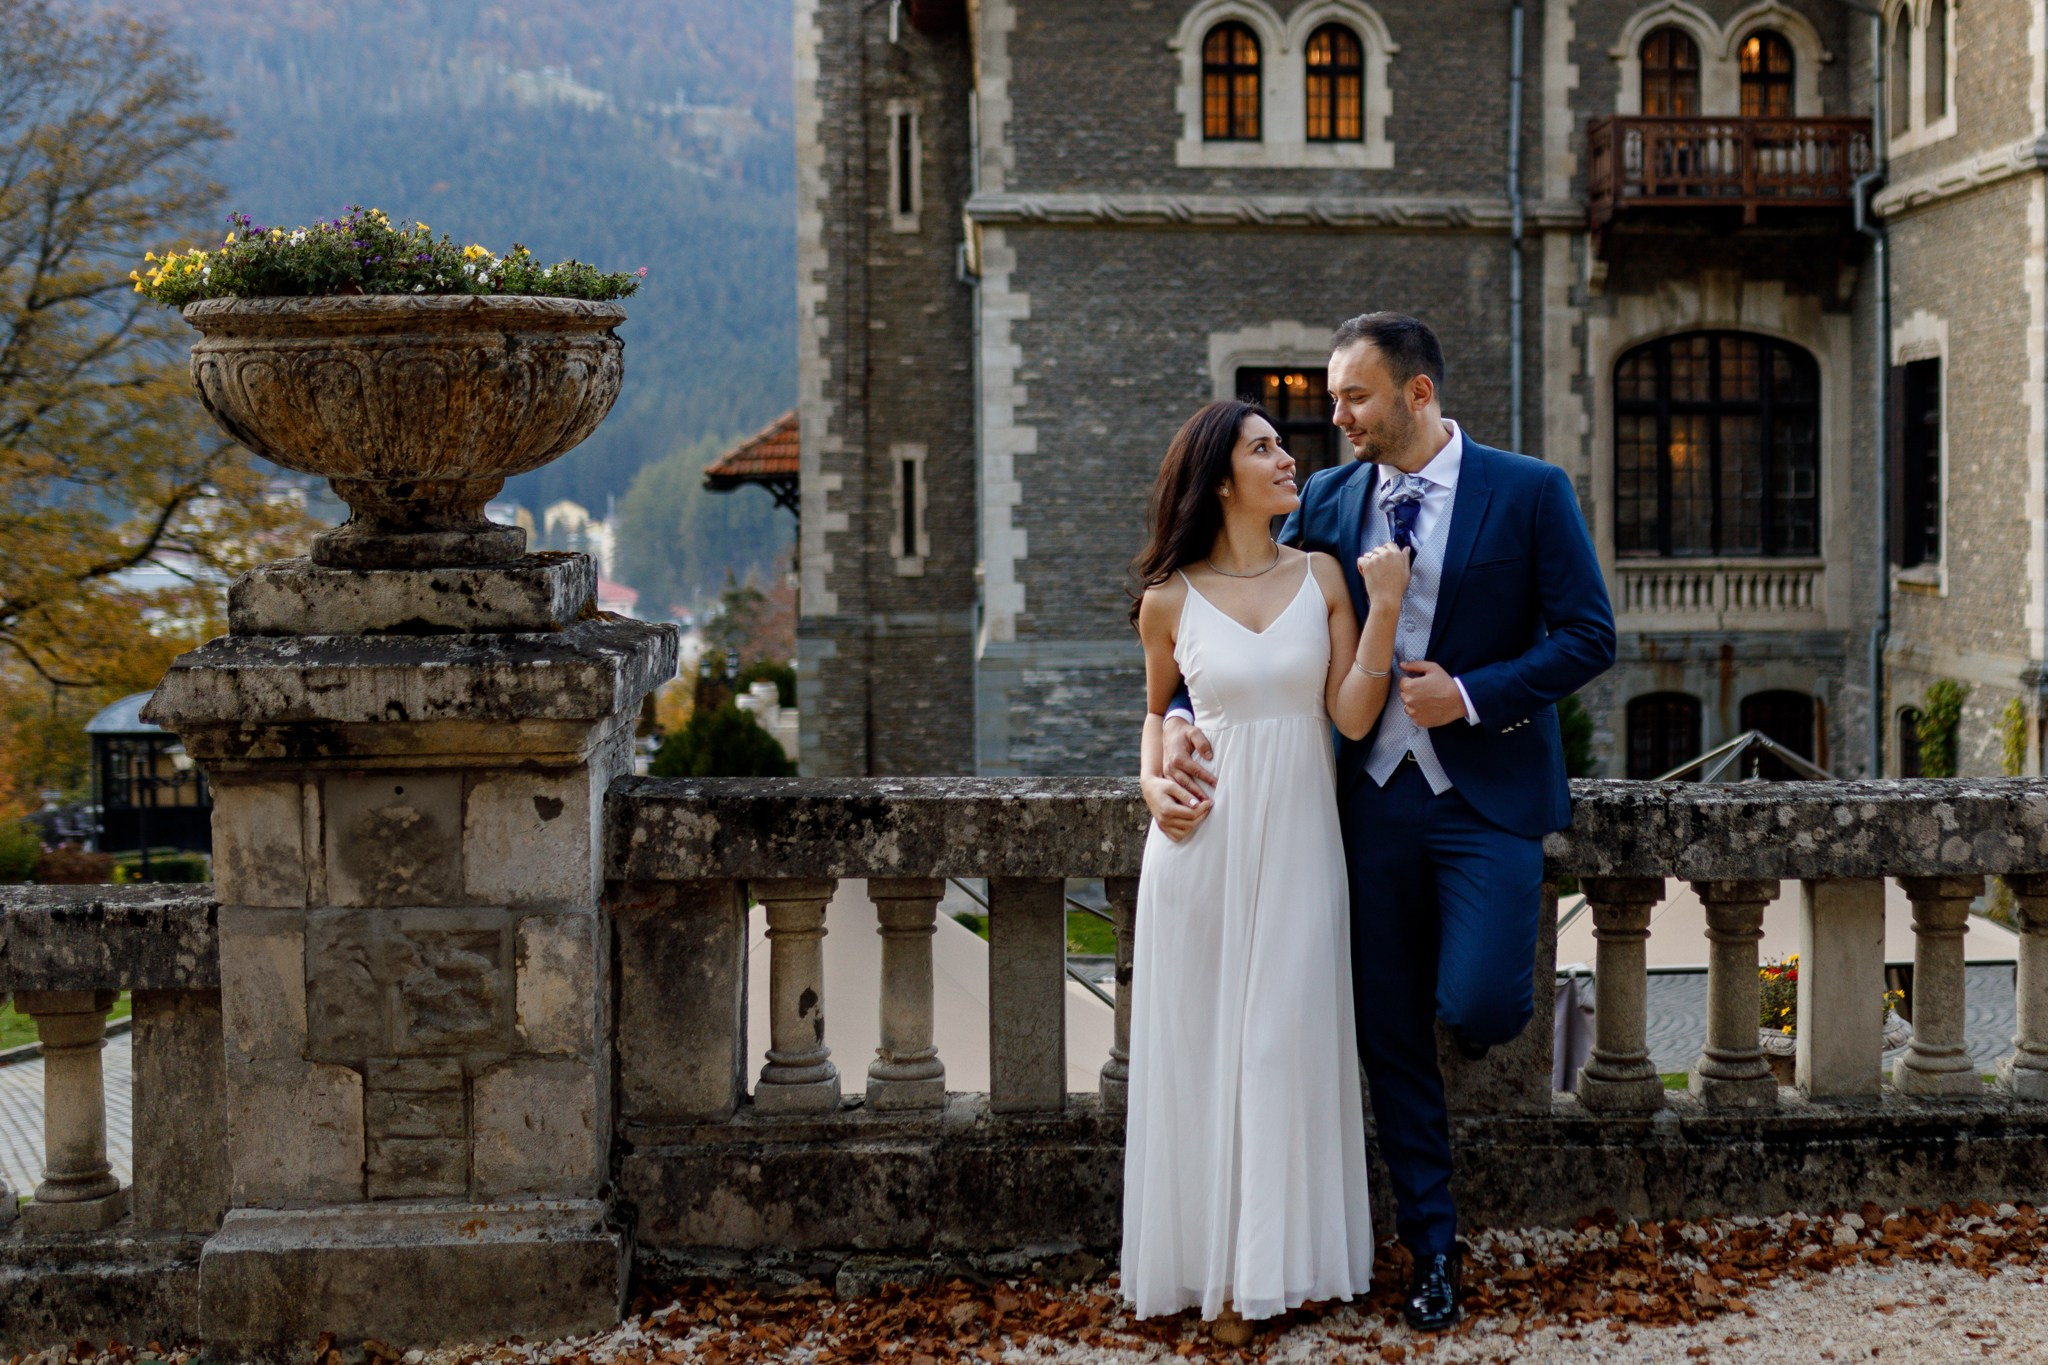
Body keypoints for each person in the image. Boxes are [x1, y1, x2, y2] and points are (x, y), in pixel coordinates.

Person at [1159, 313, 1616, 1331]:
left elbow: (1590, 636)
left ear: (1415, 396)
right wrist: (1182, 722)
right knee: (1387, 1034)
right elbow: (1240, 614)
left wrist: (1473, 691)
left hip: (1484, 798)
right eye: (1329, 399)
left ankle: (1438, 1200)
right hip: (1357, 807)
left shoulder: (1529, 491)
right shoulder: (1323, 499)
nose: (1334, 418)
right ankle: (1433, 1246)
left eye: (1352, 398)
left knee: (1480, 1007)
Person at [1121, 398, 1412, 1344]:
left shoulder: (1324, 573)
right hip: (1200, 852)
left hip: (1299, 846)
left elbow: (1356, 717)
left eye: (1283, 445)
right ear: (1219, 480)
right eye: (1265, 448)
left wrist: (1388, 610)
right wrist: (1151, 783)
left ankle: (1280, 1269)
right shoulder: (1168, 598)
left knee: (1282, 1047)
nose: (1290, 458)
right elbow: (1160, 711)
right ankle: (1225, 1277)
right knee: (1211, 1056)